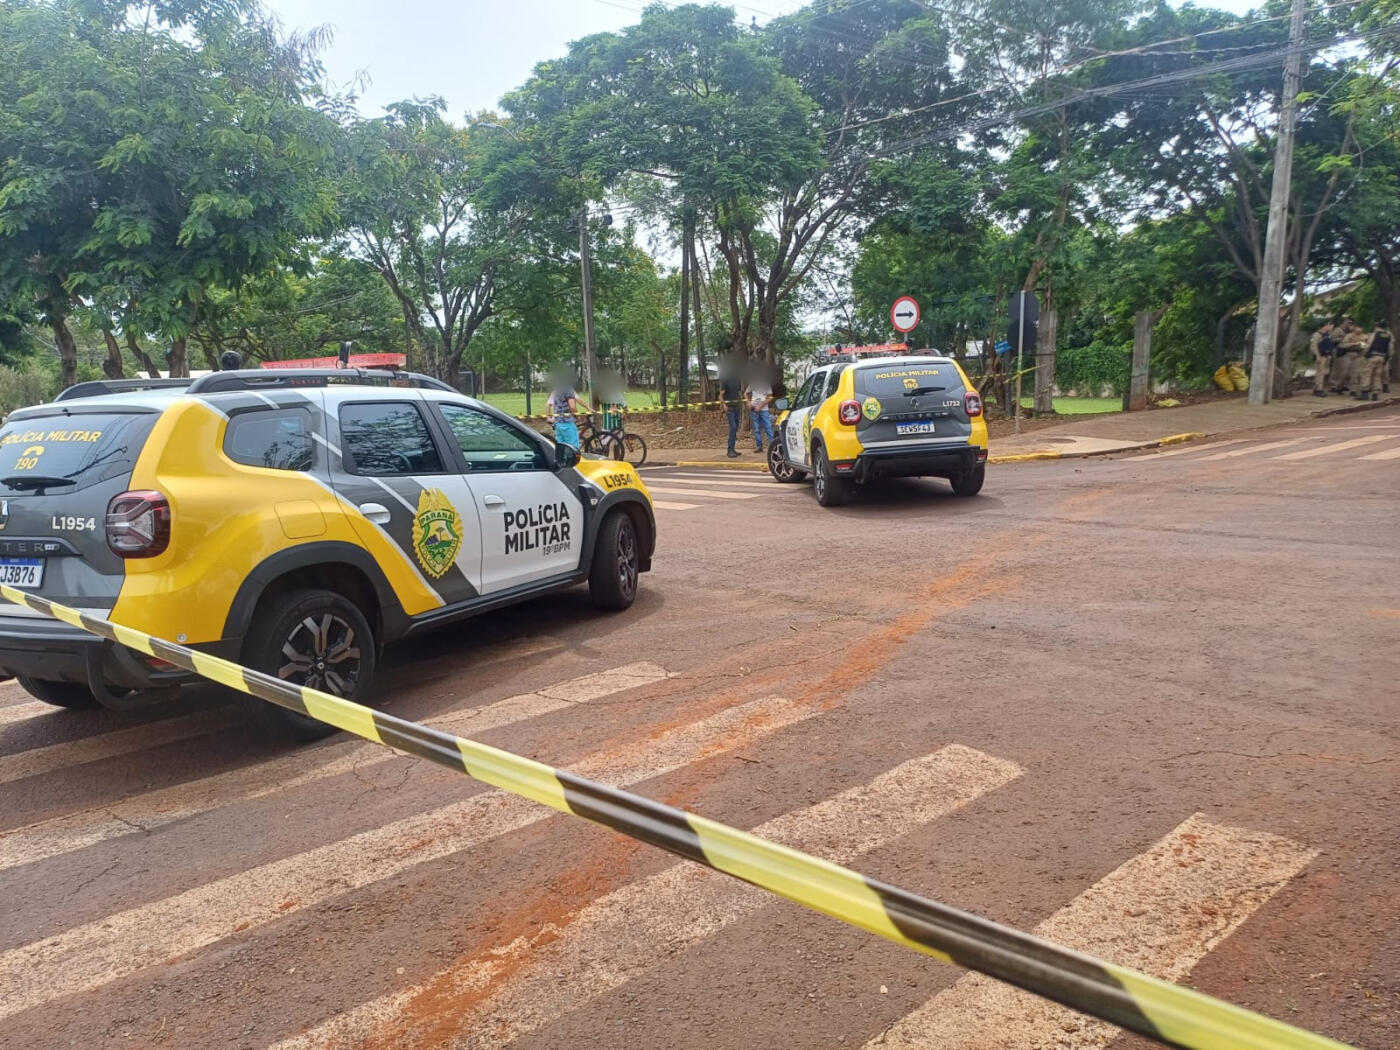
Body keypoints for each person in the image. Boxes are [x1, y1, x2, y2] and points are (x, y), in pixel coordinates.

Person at [1354, 321, 1391, 402]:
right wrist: (1386, 358)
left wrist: (1364, 354)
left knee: (1366, 374)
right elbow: (1389, 349)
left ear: (1377, 326)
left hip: (1372, 357)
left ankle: (1364, 393)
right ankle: (1375, 394)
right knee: (1377, 376)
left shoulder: (1374, 334)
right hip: (1381, 357)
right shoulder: (1388, 336)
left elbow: (1368, 345)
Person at [547, 375, 582, 450]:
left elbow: (549, 404)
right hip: (567, 423)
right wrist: (577, 416)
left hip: (558, 423)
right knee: (573, 449)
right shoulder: (569, 390)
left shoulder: (556, 391)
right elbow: (572, 407)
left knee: (561, 449)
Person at [1331, 318, 1365, 394]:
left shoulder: (1362, 336)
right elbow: (1340, 344)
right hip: (1346, 354)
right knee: (1343, 372)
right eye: (1348, 323)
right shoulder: (1345, 334)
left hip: (1357, 354)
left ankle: (1353, 390)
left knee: (1354, 373)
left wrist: (1362, 347)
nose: (1350, 325)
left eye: (1351, 323)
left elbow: (1364, 346)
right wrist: (1352, 343)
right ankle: (1337, 386)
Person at [718, 356, 744, 458]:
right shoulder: (726, 380)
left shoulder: (737, 381)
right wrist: (724, 405)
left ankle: (733, 448)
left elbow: (738, 393)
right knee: (733, 427)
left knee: (735, 428)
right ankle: (729, 450)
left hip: (737, 408)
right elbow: (720, 395)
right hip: (729, 408)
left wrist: (741, 402)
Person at [745, 368, 774, 453]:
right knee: (756, 429)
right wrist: (748, 401)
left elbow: (770, 397)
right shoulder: (752, 384)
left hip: (764, 409)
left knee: (768, 427)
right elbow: (745, 393)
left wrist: (760, 406)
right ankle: (759, 446)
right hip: (753, 409)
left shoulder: (766, 384)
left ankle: (773, 446)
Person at [1309, 321, 1336, 397]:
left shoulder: (1328, 335)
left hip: (1326, 356)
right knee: (1320, 373)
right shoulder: (1317, 334)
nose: (1332, 327)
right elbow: (1313, 346)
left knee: (1323, 373)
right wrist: (1317, 355)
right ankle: (1318, 389)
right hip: (1321, 356)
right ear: (1326, 325)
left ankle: (1318, 387)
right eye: (1330, 325)